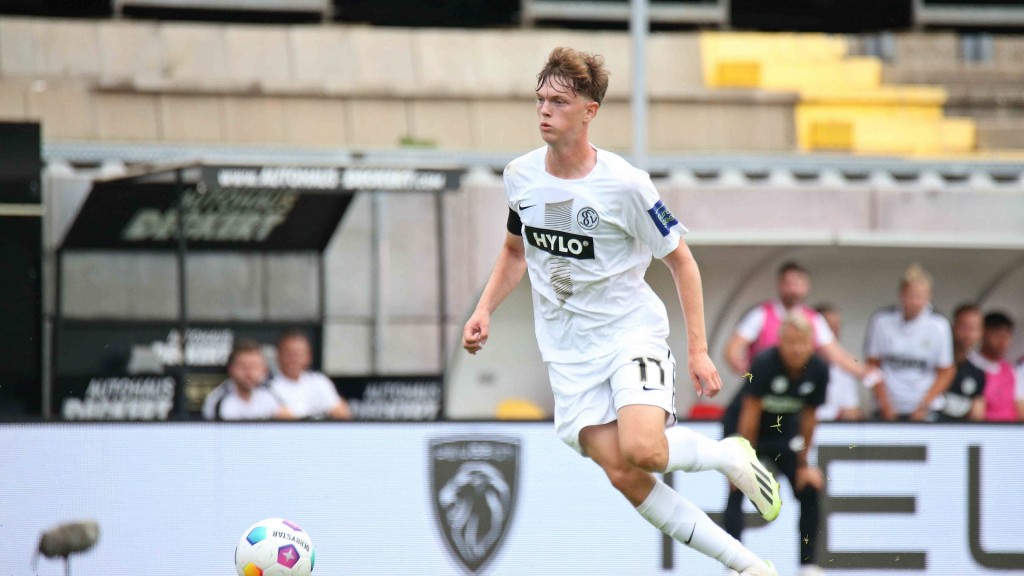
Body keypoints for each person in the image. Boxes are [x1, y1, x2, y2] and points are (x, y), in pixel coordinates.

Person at [462, 47, 780, 576]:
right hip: (567, 353)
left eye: (559, 102)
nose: (544, 111)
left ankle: (727, 456)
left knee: (645, 450)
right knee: (624, 473)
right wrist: (484, 309)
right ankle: (748, 565)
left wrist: (698, 350)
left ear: (590, 111)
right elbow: (516, 251)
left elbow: (682, 261)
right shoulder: (520, 176)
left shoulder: (624, 185)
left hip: (629, 334)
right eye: (540, 99)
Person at [723, 313, 828, 576]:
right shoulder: (765, 363)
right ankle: (733, 567)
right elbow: (750, 413)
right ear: (780, 342)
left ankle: (808, 566)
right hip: (745, 431)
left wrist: (804, 464)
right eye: (790, 342)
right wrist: (742, 460)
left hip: (783, 435)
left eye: (802, 342)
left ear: (811, 343)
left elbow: (809, 420)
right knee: (737, 489)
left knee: (809, 488)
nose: (796, 349)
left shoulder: (819, 370)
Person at [724, 262, 881, 388]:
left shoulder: (814, 319)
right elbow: (732, 353)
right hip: (764, 390)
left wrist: (865, 372)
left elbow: (837, 355)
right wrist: (751, 378)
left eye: (798, 284)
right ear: (780, 284)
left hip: (798, 390)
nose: (793, 289)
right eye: (788, 283)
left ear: (807, 286)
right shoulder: (760, 314)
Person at [864, 264, 954, 421]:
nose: (915, 302)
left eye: (920, 296)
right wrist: (885, 405)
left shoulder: (939, 325)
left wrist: (924, 406)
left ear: (929, 297)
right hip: (889, 408)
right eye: (911, 296)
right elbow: (873, 365)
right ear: (901, 294)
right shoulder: (882, 321)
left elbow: (946, 371)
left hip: (925, 409)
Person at [268, 330, 352, 420]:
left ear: (308, 357)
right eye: (289, 353)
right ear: (278, 355)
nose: (294, 359)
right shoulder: (268, 385)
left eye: (299, 354)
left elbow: (341, 412)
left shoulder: (319, 381)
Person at [202, 339, 291, 421]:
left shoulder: (270, 395)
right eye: (243, 367)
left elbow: (288, 422)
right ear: (231, 369)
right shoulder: (219, 400)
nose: (249, 373)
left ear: (264, 370)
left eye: (254, 367)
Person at [813, 303, 864, 421]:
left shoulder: (844, 367)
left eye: (837, 328)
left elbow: (852, 410)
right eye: (829, 328)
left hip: (835, 431)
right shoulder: (799, 365)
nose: (834, 334)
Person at [936, 303, 986, 422]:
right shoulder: (937, 365)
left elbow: (977, 411)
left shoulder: (977, 373)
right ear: (953, 327)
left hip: (959, 434)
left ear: (981, 333)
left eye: (974, 328)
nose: (968, 334)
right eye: (964, 327)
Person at [972, 312, 1024, 422]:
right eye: (997, 335)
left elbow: (1020, 406)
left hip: (1010, 433)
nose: (1002, 341)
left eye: (1007, 336)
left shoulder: (1011, 370)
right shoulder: (971, 365)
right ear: (984, 333)